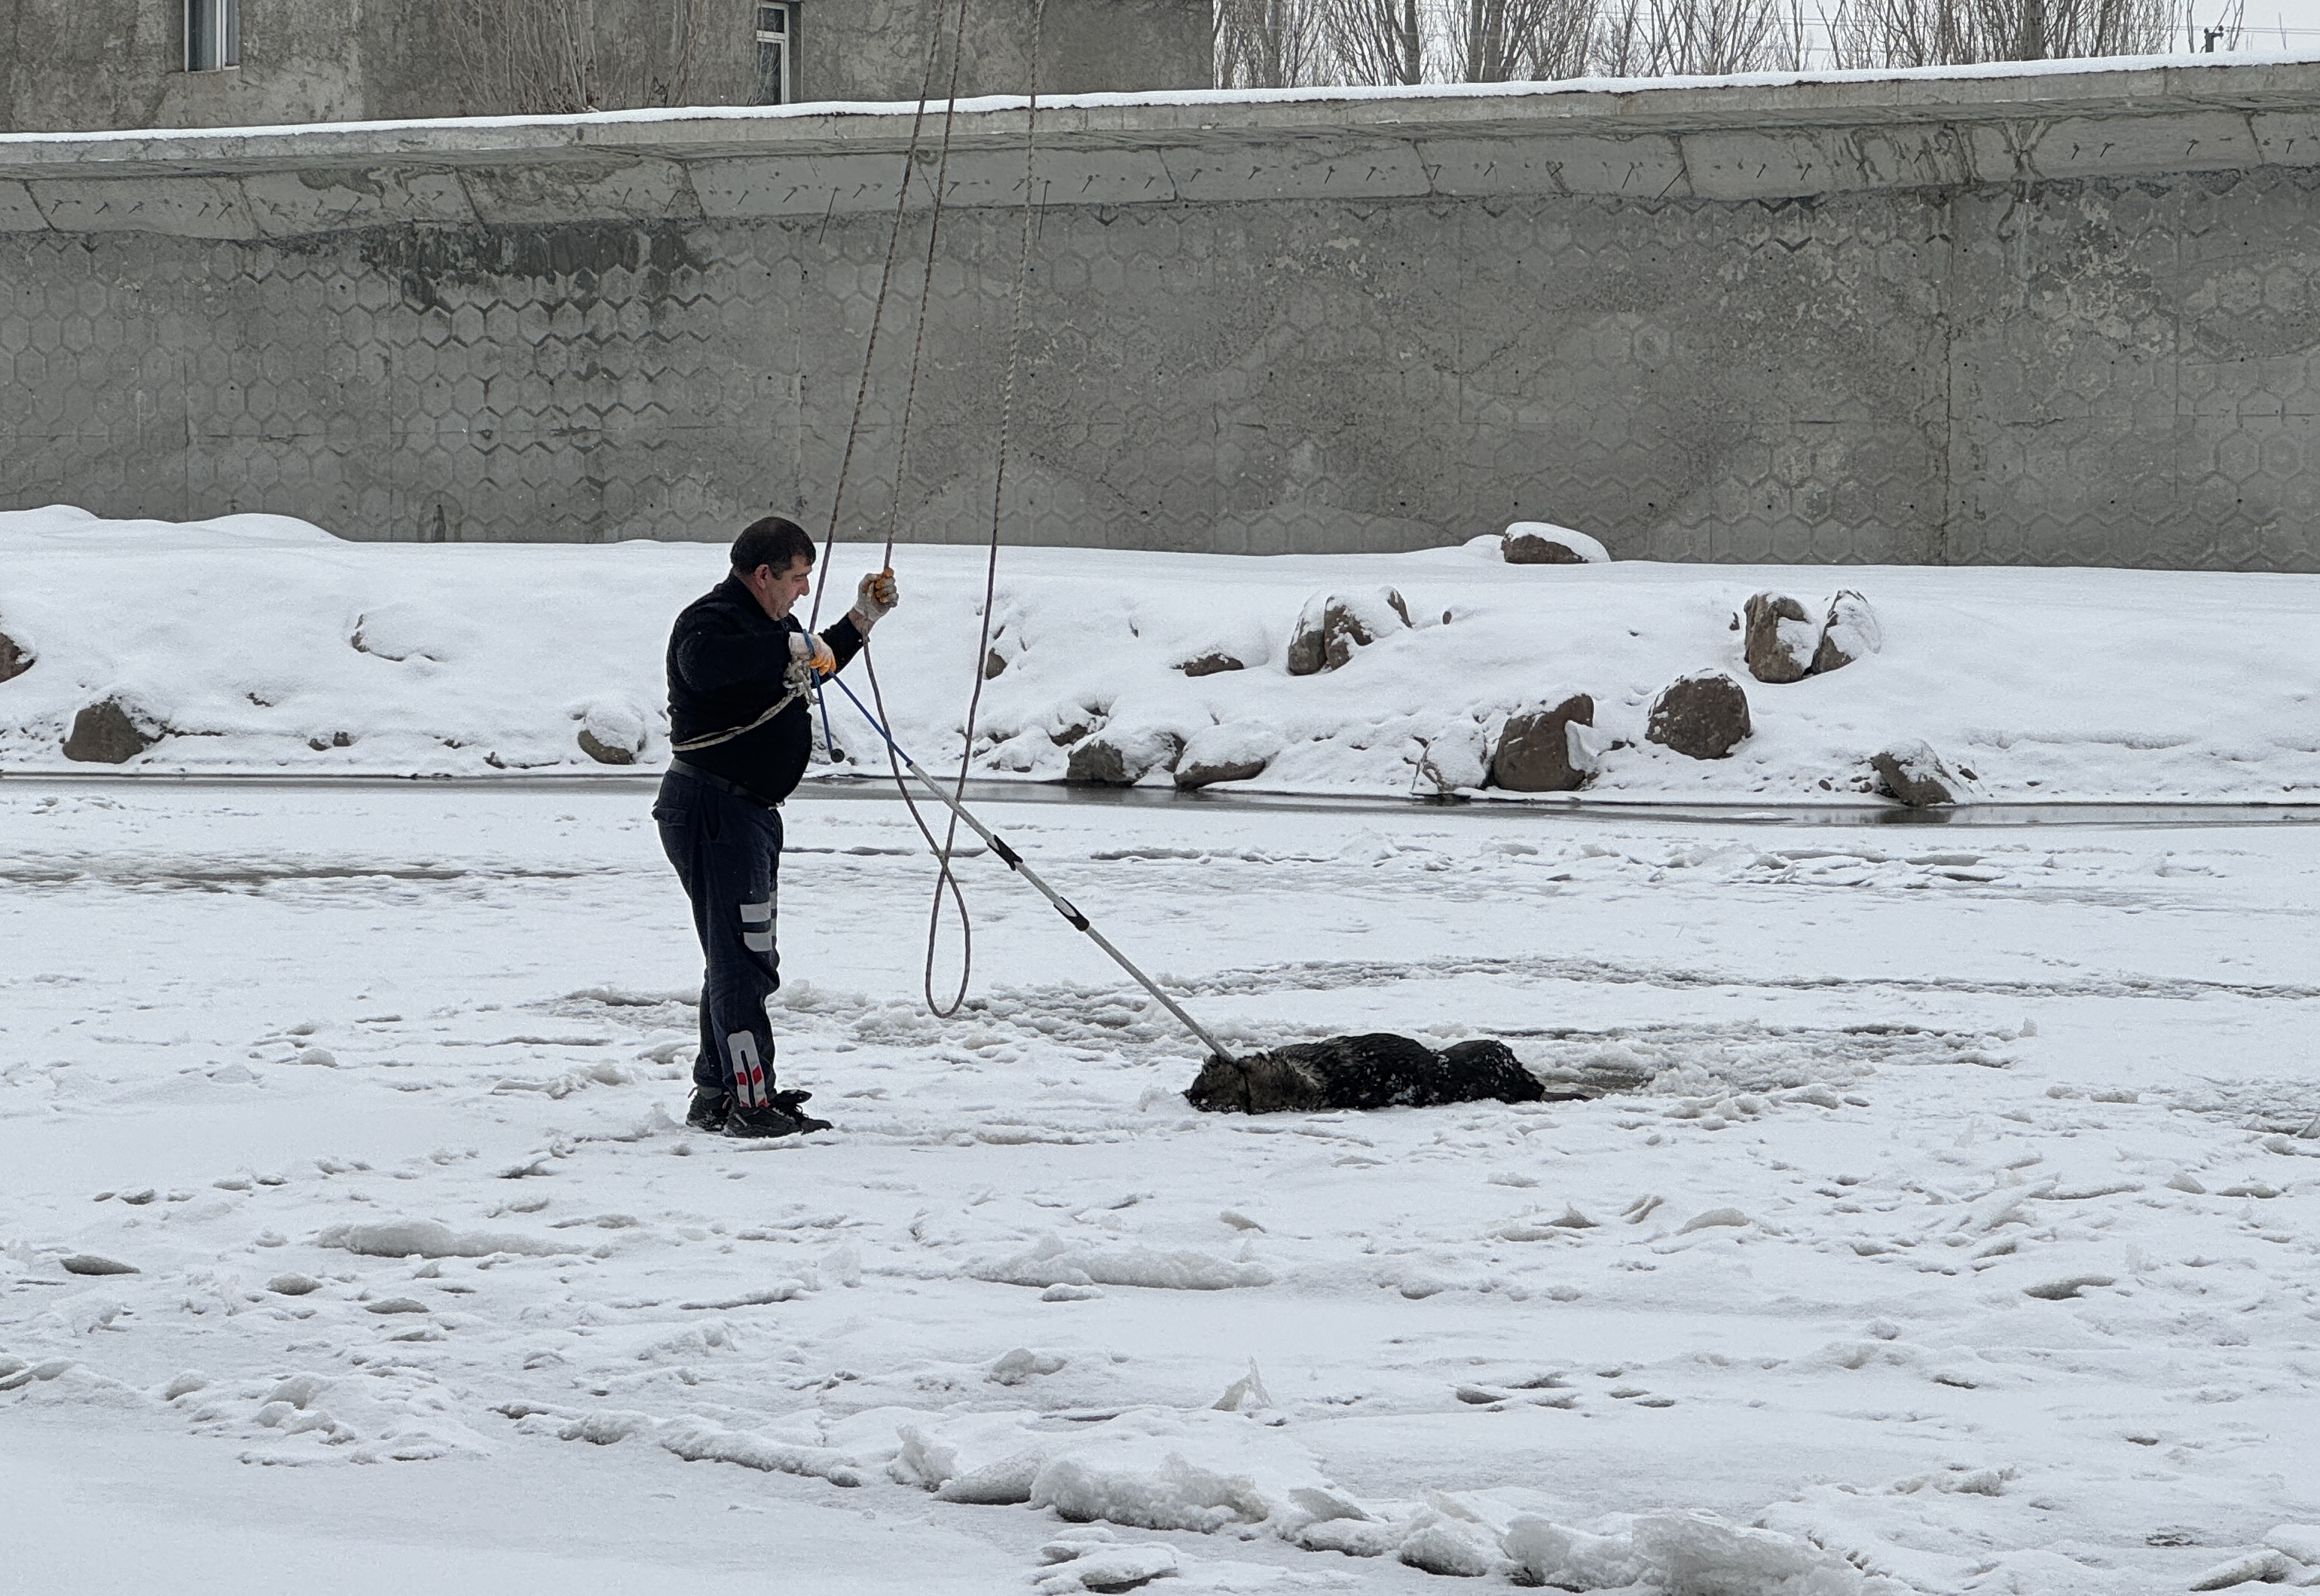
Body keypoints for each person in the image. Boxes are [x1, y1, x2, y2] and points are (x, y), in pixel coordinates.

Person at [656, 516, 899, 1137]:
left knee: (734, 955)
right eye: (795, 579)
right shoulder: (710, 622)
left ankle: (717, 1092)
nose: (801, 591)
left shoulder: (774, 627)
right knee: (744, 961)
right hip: (714, 809)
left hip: (744, 814)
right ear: (762, 575)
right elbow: (712, 665)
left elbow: (810, 664)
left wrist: (859, 620)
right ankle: (750, 1103)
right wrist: (791, 646)